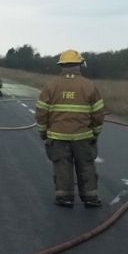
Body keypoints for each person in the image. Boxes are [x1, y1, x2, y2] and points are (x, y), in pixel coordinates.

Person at [35, 50, 105, 208]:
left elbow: (41, 112)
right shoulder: (90, 86)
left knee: (62, 167)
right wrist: (95, 133)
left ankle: (64, 198)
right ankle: (91, 198)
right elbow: (98, 114)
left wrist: (43, 132)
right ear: (79, 65)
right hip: (83, 136)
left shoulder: (51, 85)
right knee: (86, 166)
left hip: (58, 137)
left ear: (61, 65)